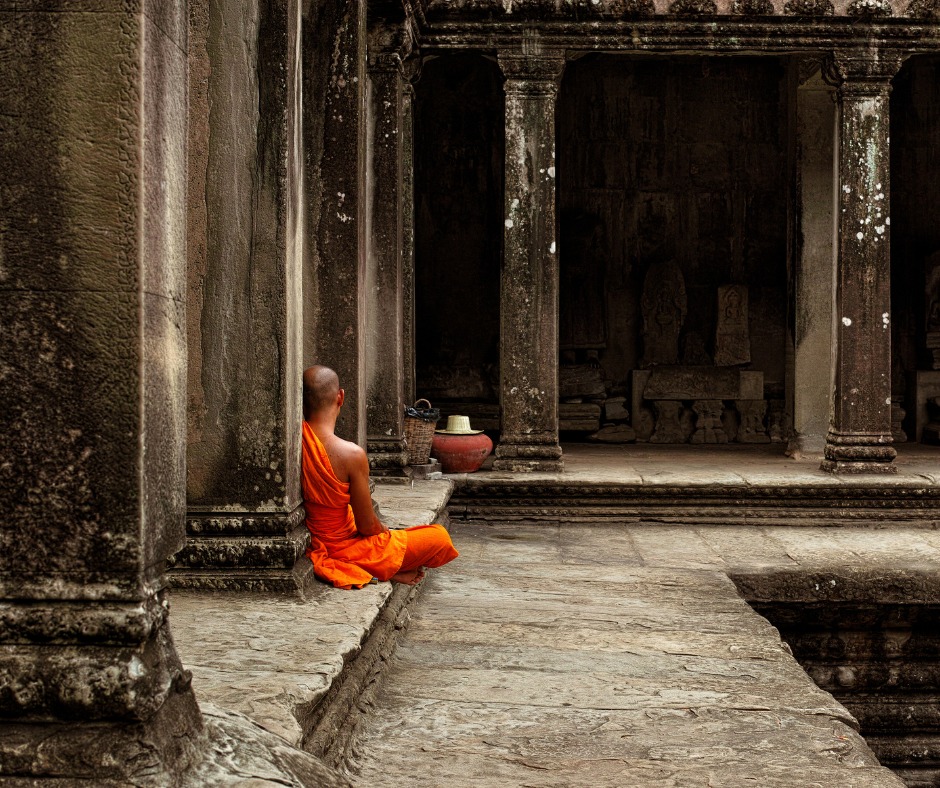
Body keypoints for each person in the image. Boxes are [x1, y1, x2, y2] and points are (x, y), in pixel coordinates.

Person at [301, 365, 458, 589]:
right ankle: (382, 568)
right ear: (341, 397)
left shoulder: (297, 442)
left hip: (317, 542)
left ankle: (381, 568)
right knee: (438, 538)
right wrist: (384, 531)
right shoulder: (351, 454)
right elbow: (367, 527)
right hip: (345, 547)